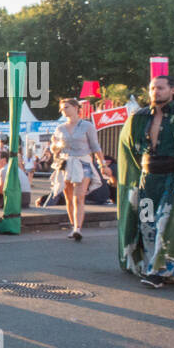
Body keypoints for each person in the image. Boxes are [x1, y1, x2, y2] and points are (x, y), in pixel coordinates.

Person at [118, 75, 174, 287]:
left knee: (165, 222)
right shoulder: (139, 117)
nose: (156, 91)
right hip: (147, 181)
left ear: (173, 90)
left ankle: (157, 272)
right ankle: (158, 267)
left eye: (160, 88)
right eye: (153, 88)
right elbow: (128, 147)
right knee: (147, 224)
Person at [51, 98, 112, 241]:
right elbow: (54, 147)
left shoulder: (87, 126)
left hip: (83, 161)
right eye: (62, 108)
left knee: (79, 196)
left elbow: (95, 146)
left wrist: (102, 164)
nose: (63, 111)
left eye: (66, 107)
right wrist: (55, 147)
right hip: (66, 162)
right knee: (68, 197)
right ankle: (74, 227)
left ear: (75, 108)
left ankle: (78, 228)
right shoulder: (60, 128)